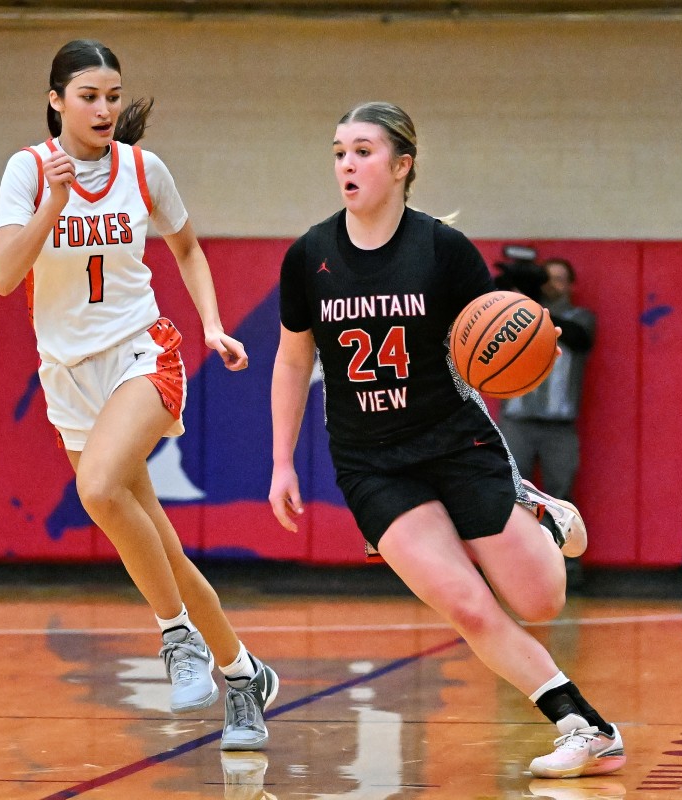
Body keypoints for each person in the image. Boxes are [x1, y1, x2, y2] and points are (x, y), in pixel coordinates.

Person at [268, 100, 625, 779]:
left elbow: (491, 342)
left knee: (540, 600)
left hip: (453, 440)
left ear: (402, 166)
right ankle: (589, 729)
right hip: (371, 462)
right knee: (466, 604)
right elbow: (292, 361)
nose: (347, 163)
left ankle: (537, 508)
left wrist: (520, 347)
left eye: (364, 151)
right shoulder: (309, 256)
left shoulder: (443, 250)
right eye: (340, 150)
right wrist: (282, 460)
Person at [0, 39, 277, 750]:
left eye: (113, 96)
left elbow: (187, 247)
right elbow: (2, 276)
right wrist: (54, 202)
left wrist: (211, 324)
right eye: (89, 96)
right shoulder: (27, 170)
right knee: (166, 552)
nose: (105, 108)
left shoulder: (144, 170)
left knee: (96, 488)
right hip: (68, 375)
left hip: (145, 353)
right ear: (57, 99)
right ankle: (242, 674)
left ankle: (175, 635)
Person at [495, 255, 595, 583]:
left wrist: (533, 305)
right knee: (511, 494)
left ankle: (566, 566)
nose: (554, 284)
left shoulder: (581, 318)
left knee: (560, 493)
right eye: (547, 278)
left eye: (560, 278)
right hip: (517, 420)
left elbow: (579, 337)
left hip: (559, 425)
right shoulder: (517, 314)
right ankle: (515, 564)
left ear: (571, 284)